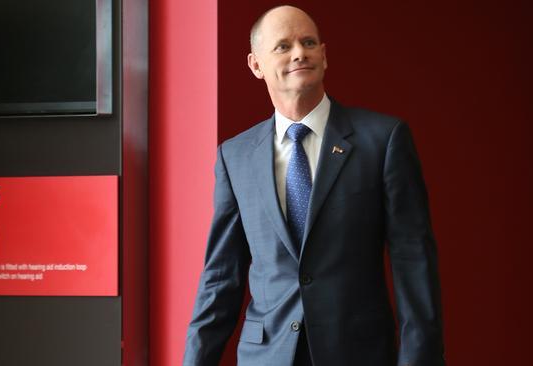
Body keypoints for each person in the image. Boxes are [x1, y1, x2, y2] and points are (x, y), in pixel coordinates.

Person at [183, 5, 445, 366]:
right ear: (255, 64)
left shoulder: (383, 140)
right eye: (283, 46)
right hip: (266, 355)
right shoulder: (235, 156)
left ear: (324, 54)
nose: (299, 53)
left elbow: (413, 262)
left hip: (357, 353)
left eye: (308, 42)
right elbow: (220, 276)